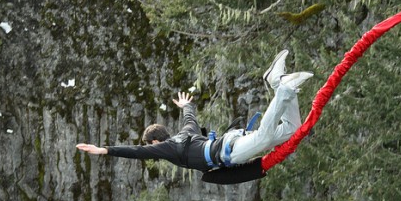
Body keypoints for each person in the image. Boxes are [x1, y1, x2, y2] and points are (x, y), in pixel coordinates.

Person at [76, 50, 313, 173]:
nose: (153, 150)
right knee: (291, 129)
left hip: (229, 152)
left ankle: (281, 87)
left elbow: (137, 151)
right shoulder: (187, 132)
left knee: (265, 136)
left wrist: (105, 150)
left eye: (153, 145)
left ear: (156, 141)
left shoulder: (168, 148)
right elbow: (190, 116)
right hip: (231, 141)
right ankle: (277, 84)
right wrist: (185, 105)